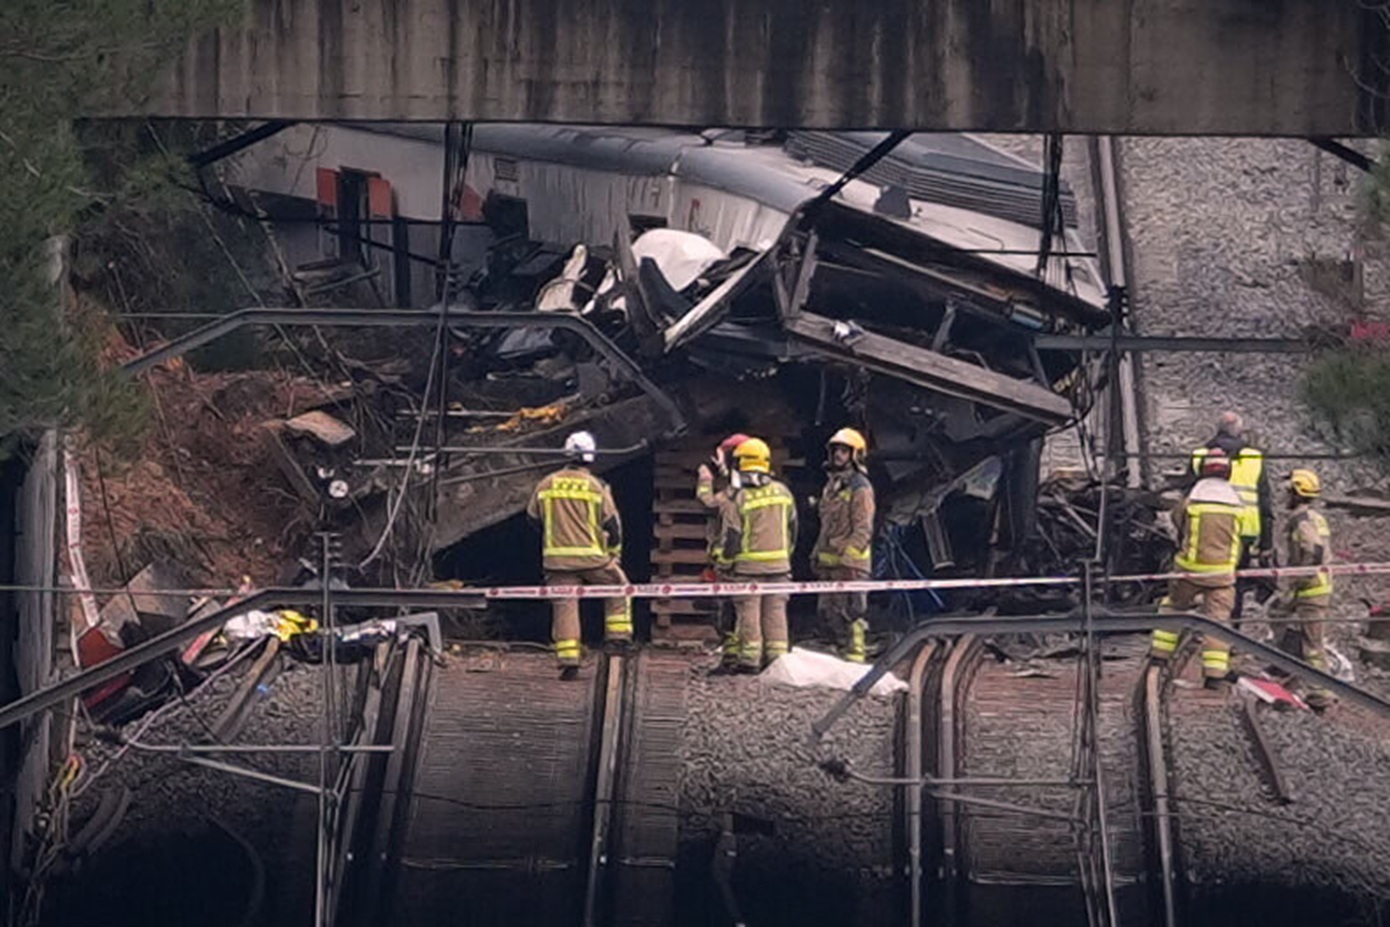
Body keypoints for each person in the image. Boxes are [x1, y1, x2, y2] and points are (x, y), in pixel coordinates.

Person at [526, 431, 632, 678]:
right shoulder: (596, 487)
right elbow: (612, 526)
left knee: (565, 606)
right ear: (591, 457)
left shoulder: (546, 484)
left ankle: (569, 660)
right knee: (619, 587)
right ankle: (617, 639)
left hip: (557, 560)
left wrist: (554, 534)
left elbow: (532, 519)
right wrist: (613, 554)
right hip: (592, 558)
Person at [1151, 448, 1244, 688]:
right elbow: (1241, 535)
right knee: (1218, 621)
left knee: (1174, 606)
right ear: (1228, 473)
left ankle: (1159, 655)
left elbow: (1177, 520)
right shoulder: (1236, 504)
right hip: (1222, 574)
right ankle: (1214, 675)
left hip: (1189, 569)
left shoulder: (1193, 499)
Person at [712, 437, 798, 673]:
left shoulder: (740, 498)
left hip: (748, 569)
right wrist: (785, 557)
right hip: (780, 567)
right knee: (776, 613)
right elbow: (793, 529)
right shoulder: (783, 492)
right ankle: (778, 662)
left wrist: (725, 563)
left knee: (748, 613)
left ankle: (749, 661)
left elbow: (732, 537)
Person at [1189, 412, 1273, 623]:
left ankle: (1205, 621)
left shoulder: (1200, 455)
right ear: (1238, 431)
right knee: (1234, 583)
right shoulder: (1254, 458)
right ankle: (1232, 628)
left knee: (1202, 577)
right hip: (1245, 532)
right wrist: (1266, 543)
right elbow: (1265, 503)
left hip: (1206, 528)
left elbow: (1187, 495)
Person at [1269, 469, 1336, 711]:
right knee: (1278, 616)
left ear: (1296, 494)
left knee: (1312, 644)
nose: (1284, 495)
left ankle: (1321, 694)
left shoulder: (1302, 520)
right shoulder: (1314, 517)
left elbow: (1314, 549)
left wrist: (1301, 577)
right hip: (1312, 589)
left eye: (1288, 491)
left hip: (1311, 591)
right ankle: (1287, 672)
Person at [810, 428, 876, 662]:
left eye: (844, 451)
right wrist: (817, 551)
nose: (838, 454)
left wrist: (848, 558)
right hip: (830, 564)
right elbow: (826, 525)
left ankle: (855, 656)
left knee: (852, 613)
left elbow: (863, 528)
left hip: (851, 565)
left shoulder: (861, 488)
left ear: (855, 455)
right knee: (828, 612)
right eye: (836, 450)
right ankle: (838, 653)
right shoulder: (831, 486)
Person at [697, 433, 751, 667]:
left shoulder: (736, 490)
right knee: (732, 609)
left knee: (730, 610)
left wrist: (705, 480)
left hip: (732, 558)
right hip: (742, 557)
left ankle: (735, 656)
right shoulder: (749, 484)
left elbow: (708, 503)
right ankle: (732, 655)